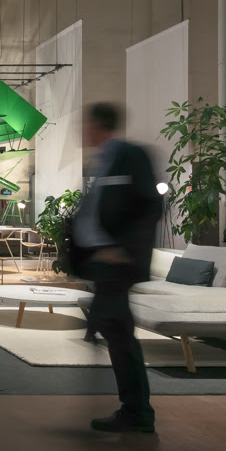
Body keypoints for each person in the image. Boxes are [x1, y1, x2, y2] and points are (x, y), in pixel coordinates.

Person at [69, 103, 162, 434]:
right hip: (101, 262)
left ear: (97, 126)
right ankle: (136, 410)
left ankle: (137, 411)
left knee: (115, 329)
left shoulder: (130, 155)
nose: (82, 130)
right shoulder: (103, 160)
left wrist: (123, 251)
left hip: (117, 263)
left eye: (85, 124)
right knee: (111, 326)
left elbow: (150, 206)